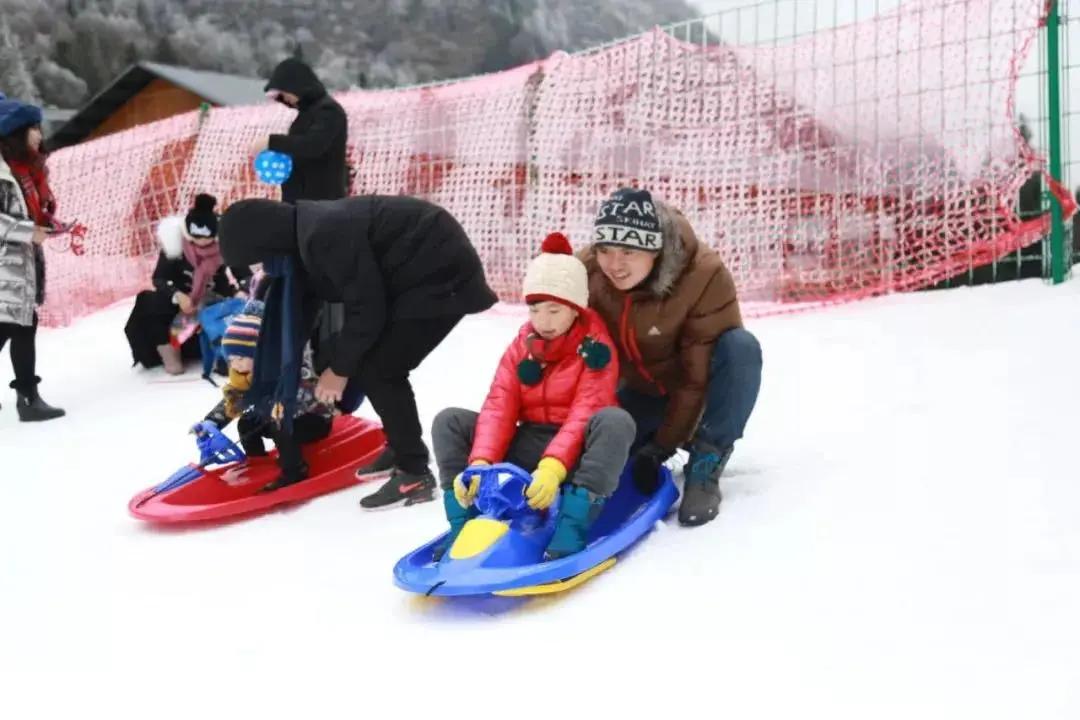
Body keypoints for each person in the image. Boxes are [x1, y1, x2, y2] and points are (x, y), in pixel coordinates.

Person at [218, 194, 498, 508]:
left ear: (267, 241)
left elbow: (367, 308)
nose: (263, 266)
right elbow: (311, 303)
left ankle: (413, 472)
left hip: (440, 276)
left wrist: (338, 371)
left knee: (379, 368)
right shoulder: (303, 236)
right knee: (364, 357)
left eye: (258, 257)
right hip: (411, 278)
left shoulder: (323, 234)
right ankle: (402, 446)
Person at [431, 233, 635, 559]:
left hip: (579, 450)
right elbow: (499, 406)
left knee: (616, 421)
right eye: (536, 310)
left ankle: (573, 524)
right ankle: (464, 521)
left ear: (575, 309)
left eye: (555, 310)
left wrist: (553, 469)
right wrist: (479, 464)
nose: (543, 322)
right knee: (449, 421)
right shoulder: (522, 346)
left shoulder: (596, 348)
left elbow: (586, 410)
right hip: (530, 443)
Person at [582, 187, 763, 526]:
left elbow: (695, 380)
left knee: (741, 348)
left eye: (628, 251)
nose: (614, 265)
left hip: (700, 396)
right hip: (641, 394)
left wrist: (662, 447)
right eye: (605, 250)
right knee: (611, 467)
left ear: (655, 249)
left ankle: (706, 460)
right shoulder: (588, 272)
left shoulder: (704, 276)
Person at [200, 299, 335, 492]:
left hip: (313, 420)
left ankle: (295, 471)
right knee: (246, 423)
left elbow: (309, 394)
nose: (235, 365)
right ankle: (258, 465)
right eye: (231, 359)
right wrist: (212, 422)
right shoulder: (245, 374)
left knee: (278, 420)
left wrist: (277, 403)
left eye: (240, 358)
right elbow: (234, 399)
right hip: (277, 419)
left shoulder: (289, 368)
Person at [124, 194, 250, 374]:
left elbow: (244, 275)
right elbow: (159, 278)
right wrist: (178, 296)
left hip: (216, 301)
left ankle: (224, 354)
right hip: (182, 304)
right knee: (149, 302)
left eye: (207, 238)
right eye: (196, 238)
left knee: (232, 314)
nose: (202, 242)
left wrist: (242, 292)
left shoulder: (225, 245)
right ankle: (169, 353)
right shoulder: (175, 247)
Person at [0, 94, 65, 421]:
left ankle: (28, 398)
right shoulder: (3, 172)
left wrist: (49, 223)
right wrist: (30, 232)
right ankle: (28, 398)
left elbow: (33, 211)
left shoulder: (28, 169)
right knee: (20, 326)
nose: (39, 135)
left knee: (15, 325)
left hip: (24, 262)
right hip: (5, 265)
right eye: (33, 129)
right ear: (15, 133)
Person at [250, 57, 348, 204]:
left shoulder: (329, 111)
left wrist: (271, 142)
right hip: (301, 203)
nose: (284, 99)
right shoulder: (307, 113)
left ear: (296, 86)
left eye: (284, 93)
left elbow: (312, 145)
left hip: (321, 204)